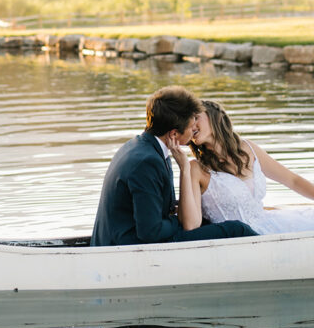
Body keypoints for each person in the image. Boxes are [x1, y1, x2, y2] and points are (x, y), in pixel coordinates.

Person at [90, 86, 256, 246]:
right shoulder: (147, 162)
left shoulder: (141, 146)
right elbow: (150, 232)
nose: (193, 132)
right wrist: (178, 220)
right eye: (191, 128)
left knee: (207, 220)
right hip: (126, 244)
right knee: (236, 229)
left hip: (127, 235)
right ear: (174, 134)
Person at [179, 99, 314, 235]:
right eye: (188, 122)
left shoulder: (248, 148)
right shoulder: (196, 169)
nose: (192, 125)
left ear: (216, 117)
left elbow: (293, 180)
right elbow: (191, 225)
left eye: (196, 117)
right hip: (241, 238)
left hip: (272, 223)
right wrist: (183, 168)